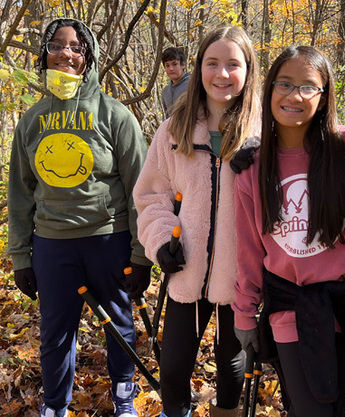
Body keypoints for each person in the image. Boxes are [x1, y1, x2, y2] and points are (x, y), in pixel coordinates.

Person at [8, 18, 152, 417]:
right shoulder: (32, 120)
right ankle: (55, 406)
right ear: (45, 54)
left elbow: (141, 186)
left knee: (119, 327)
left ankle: (124, 398)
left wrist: (141, 255)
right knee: (55, 332)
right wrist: (21, 256)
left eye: (76, 47)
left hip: (109, 239)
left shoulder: (115, 115)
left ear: (88, 58)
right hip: (52, 245)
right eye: (57, 45)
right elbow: (21, 193)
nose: (66, 54)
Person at [232, 45, 345, 417]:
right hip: (290, 307)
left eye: (308, 87)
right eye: (284, 83)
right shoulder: (252, 168)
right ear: (269, 89)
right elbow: (249, 251)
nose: (294, 95)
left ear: (325, 96)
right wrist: (244, 313)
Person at [133, 26, 261, 417]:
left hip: (239, 279)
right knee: (172, 370)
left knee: (231, 367)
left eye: (233, 64)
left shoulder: (266, 132)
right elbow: (151, 195)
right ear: (199, 67)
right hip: (185, 271)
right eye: (212, 63)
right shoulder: (174, 129)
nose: (222, 74)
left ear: (248, 70)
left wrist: (259, 164)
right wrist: (158, 241)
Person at [161, 47, 191, 118]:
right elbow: (166, 118)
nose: (171, 69)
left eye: (174, 64)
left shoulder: (193, 85)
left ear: (183, 65)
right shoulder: (165, 91)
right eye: (167, 65)